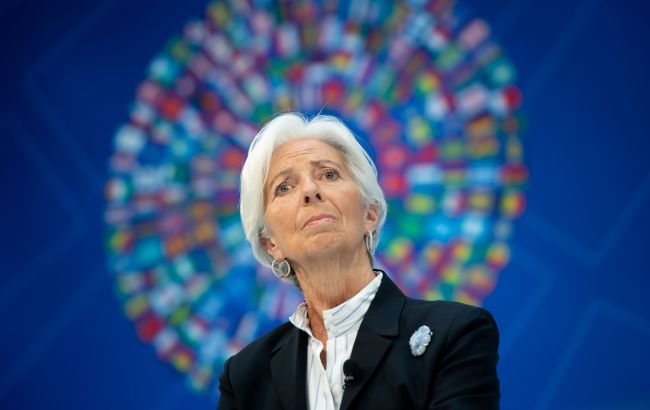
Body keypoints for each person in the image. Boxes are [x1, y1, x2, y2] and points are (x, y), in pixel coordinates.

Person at [217, 112, 500, 409]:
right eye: (284, 187)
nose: (310, 191)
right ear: (271, 243)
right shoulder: (245, 377)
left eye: (328, 174)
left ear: (370, 214)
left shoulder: (453, 334)